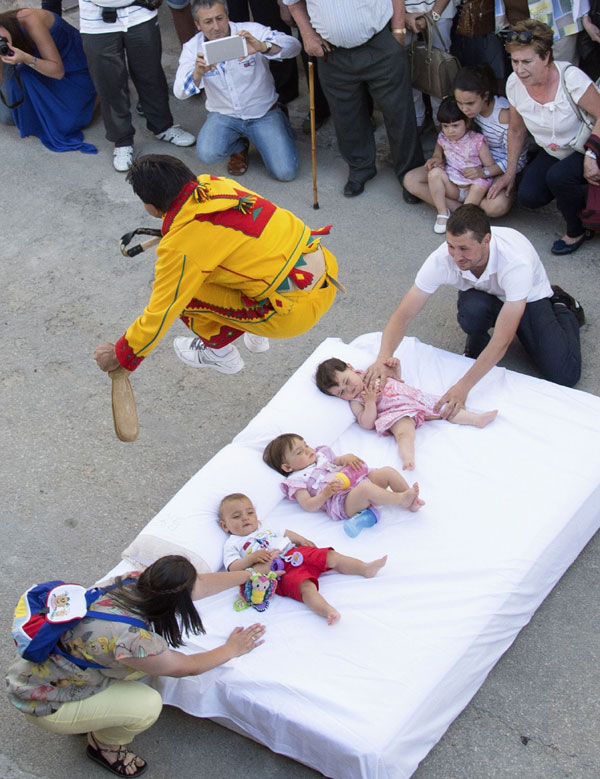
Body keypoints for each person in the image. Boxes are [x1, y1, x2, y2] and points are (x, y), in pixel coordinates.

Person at [6, 555, 265, 777]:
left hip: (40, 674)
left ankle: (92, 715)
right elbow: (187, 666)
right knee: (147, 705)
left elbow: (201, 586)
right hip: (44, 703)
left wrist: (250, 573)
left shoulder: (131, 581)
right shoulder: (134, 641)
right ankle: (104, 746)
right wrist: (232, 648)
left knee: (143, 666)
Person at [93, 154, 340, 377]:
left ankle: (219, 355)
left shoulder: (181, 247)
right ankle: (257, 334)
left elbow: (162, 310)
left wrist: (122, 354)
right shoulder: (217, 185)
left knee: (185, 293)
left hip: (292, 313)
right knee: (240, 261)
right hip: (325, 273)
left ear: (153, 207)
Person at [364, 205, 584, 421]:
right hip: (486, 293)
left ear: (486, 240)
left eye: (464, 249)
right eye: (451, 246)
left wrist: (462, 388)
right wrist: (383, 358)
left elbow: (503, 339)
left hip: (526, 298)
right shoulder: (443, 259)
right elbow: (404, 314)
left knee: (564, 373)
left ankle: (562, 306)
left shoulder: (516, 263)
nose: (456, 256)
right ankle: (477, 338)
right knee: (472, 310)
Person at [283, 0, 424, 200]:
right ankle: (360, 168)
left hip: (380, 42)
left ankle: (411, 174)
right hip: (332, 50)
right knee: (345, 115)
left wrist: (399, 31)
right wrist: (307, 34)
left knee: (399, 111)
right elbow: (293, 2)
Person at [488, 19, 600, 254]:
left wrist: (592, 153)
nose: (519, 69)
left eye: (527, 61)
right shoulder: (514, 84)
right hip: (553, 149)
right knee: (529, 195)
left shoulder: (570, 78)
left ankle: (576, 230)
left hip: (585, 146)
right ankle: (580, 197)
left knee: (558, 177)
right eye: (515, 61)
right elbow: (517, 130)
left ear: (546, 57)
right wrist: (509, 173)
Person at [173, 0, 301, 181]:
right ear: (198, 25)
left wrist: (263, 47)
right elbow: (179, 92)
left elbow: (294, 46)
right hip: (224, 115)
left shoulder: (250, 31)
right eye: (208, 22)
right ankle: (238, 146)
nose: (216, 27)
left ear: (227, 16)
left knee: (285, 172)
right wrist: (197, 73)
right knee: (207, 153)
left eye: (220, 18)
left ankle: (279, 119)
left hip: (262, 112)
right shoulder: (192, 48)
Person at [219, 493, 388, 624]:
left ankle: (364, 568)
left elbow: (285, 533)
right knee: (305, 587)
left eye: (250, 512)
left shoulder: (264, 526)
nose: (245, 518)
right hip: (278, 572)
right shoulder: (232, 543)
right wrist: (251, 558)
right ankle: (327, 610)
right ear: (224, 525)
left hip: (295, 553)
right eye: (236, 516)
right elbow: (233, 568)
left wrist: (300, 539)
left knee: (330, 556)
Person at [315, 357, 497, 470]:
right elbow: (366, 423)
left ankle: (475, 419)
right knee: (404, 432)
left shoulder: (370, 372)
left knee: (443, 407)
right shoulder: (356, 401)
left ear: (350, 367)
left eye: (347, 381)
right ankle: (408, 456)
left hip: (413, 397)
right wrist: (370, 403)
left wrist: (394, 366)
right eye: (341, 393)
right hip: (395, 412)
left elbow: (396, 378)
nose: (349, 389)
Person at [78, 0, 195, 172]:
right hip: (96, 19)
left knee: (151, 73)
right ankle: (122, 141)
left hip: (141, 12)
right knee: (109, 83)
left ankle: (163, 127)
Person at [403, 64, 529, 219]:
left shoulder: (505, 118)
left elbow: (519, 160)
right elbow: (445, 134)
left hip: (495, 169)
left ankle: (468, 205)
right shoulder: (461, 108)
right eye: (459, 103)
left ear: (485, 96)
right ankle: (461, 210)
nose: (464, 109)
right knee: (410, 180)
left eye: (470, 103)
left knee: (496, 206)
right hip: (460, 165)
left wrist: (485, 172)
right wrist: (437, 155)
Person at [0, 8, 96, 153]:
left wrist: (25, 58)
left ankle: (98, 93)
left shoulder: (29, 18)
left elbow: (58, 72)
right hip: (40, 67)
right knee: (8, 116)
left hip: (74, 65)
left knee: (67, 124)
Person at [263, 434, 425, 517]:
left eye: (306, 445)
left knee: (387, 471)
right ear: (287, 467)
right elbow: (308, 505)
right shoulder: (297, 481)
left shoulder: (321, 455)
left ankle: (411, 500)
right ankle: (400, 500)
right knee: (366, 489)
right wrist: (325, 494)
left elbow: (337, 461)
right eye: (300, 452)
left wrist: (346, 458)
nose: (308, 450)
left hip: (358, 479)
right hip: (343, 502)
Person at [423, 97, 495, 233]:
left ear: (467, 122)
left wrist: (479, 172)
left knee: (480, 185)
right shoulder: (443, 138)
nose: (450, 131)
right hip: (453, 185)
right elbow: (438, 152)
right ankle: (443, 213)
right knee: (434, 174)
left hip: (473, 186)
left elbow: (490, 167)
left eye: (455, 125)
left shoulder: (476, 141)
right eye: (445, 126)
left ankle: (464, 218)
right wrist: (437, 158)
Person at [404, 0, 456, 131]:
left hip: (440, 10)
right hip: (402, 13)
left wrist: (433, 14)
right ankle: (417, 119)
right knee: (409, 67)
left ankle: (441, 121)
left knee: (439, 68)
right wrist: (403, 16)